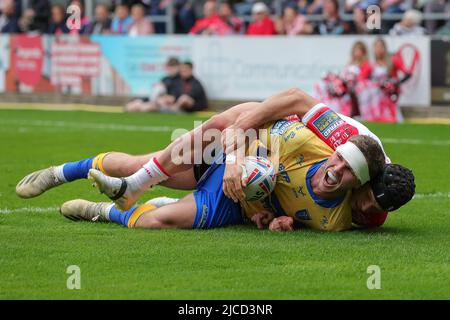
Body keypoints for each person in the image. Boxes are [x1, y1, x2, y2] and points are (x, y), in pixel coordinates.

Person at [16, 89, 415, 232]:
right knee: (221, 122)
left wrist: (274, 218)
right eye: (366, 200)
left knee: (163, 213)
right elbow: (291, 100)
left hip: (251, 183)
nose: (365, 209)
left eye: (369, 209)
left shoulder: (361, 210)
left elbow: (310, 212)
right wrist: (240, 156)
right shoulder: (338, 143)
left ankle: (117, 204)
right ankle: (65, 173)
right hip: (260, 138)